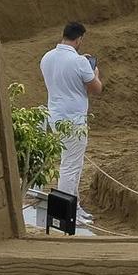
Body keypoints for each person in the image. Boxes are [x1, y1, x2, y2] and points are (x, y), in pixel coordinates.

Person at [39, 21, 101, 206]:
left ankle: (74, 208)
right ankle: (66, 210)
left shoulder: (47, 57)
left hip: (54, 116)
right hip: (73, 120)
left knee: (72, 164)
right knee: (70, 166)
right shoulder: (80, 62)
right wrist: (94, 73)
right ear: (79, 39)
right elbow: (95, 88)